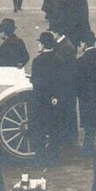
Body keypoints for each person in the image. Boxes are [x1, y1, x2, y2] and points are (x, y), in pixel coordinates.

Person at [29, 32, 66, 166]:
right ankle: (54, 158)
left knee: (39, 130)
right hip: (55, 100)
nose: (38, 45)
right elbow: (62, 81)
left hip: (40, 100)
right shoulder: (59, 59)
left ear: (43, 45)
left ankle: (39, 159)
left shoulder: (38, 61)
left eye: (39, 43)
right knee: (54, 130)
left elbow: (36, 81)